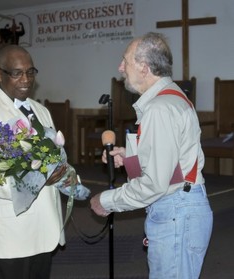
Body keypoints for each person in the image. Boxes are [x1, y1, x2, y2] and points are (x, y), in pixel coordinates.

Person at [90, 32, 213, 279]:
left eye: (125, 61)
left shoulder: (160, 108)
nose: (120, 67)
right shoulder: (172, 97)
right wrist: (128, 156)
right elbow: (173, 158)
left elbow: (156, 183)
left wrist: (107, 201)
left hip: (177, 210)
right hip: (181, 207)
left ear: (144, 68)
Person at [0, 45, 71, 279]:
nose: (26, 79)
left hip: (44, 228)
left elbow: (50, 158)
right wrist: (34, 182)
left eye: (30, 72)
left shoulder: (41, 111)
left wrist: (63, 174)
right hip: (10, 235)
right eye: (17, 73)